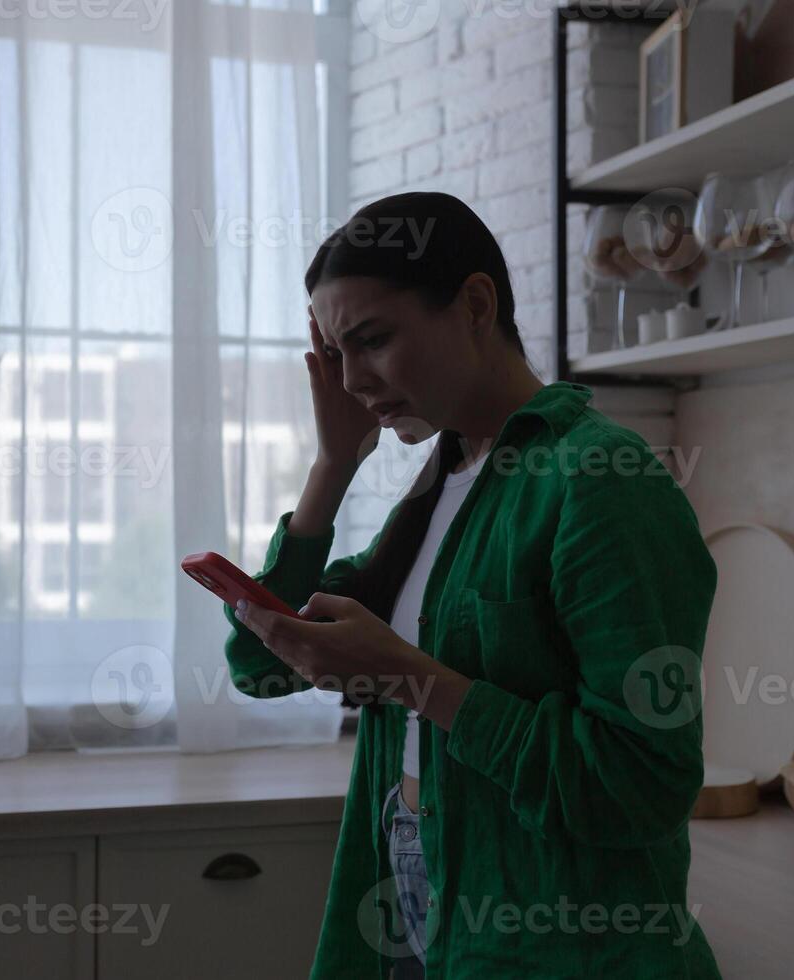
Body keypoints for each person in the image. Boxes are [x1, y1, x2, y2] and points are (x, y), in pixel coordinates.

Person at [222, 192, 722, 979]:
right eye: (336, 355)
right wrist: (332, 469)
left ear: (476, 304)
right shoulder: (438, 492)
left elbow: (638, 786)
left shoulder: (600, 482)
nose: (351, 380)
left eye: (373, 340)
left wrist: (411, 680)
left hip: (558, 940)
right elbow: (258, 664)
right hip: (418, 888)